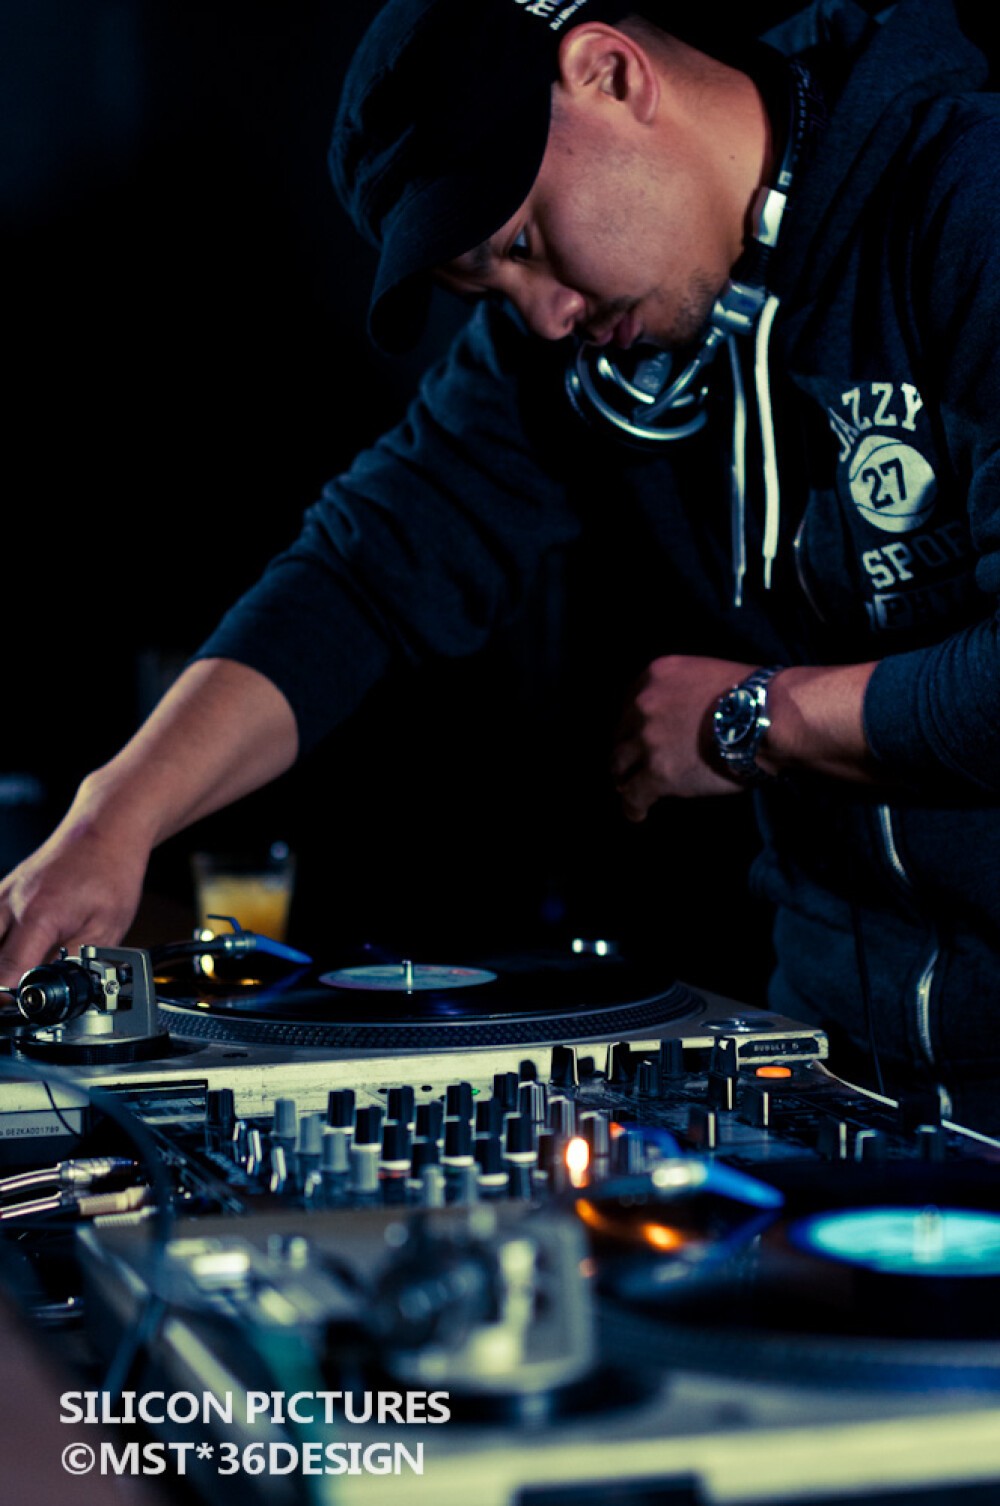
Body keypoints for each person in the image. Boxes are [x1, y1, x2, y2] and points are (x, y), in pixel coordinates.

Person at [1, 0, 999, 1130]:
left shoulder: (966, 201)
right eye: (491, 289)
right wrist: (113, 820)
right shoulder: (584, 350)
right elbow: (359, 577)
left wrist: (760, 718)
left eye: (521, 243)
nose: (546, 318)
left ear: (610, 74)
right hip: (835, 1075)